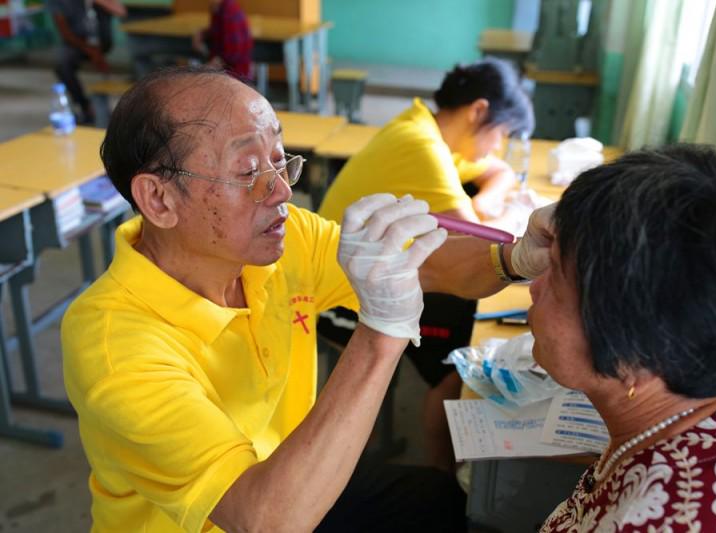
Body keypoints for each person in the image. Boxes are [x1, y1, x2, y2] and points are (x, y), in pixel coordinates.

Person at [60, 66, 549, 532]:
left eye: (279, 158)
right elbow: (267, 520)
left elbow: (434, 265)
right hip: (245, 512)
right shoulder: (114, 345)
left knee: (434, 499)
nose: (280, 192)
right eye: (248, 169)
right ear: (160, 200)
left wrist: (517, 257)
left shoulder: (285, 241)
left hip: (290, 469)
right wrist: (382, 332)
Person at [512, 145, 716, 530]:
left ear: (635, 353)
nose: (534, 288)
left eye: (556, 279)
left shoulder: (680, 519)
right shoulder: (703, 377)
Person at [317, 58, 534, 471]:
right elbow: (479, 241)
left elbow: (500, 172)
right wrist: (502, 218)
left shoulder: (427, 130)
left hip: (370, 272)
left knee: (470, 308)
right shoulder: (421, 146)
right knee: (466, 342)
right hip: (340, 296)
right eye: (502, 133)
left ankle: (445, 450)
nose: (500, 145)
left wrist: (482, 202)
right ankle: (442, 473)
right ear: (478, 111)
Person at [47, 0, 127, 124]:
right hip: (76, 42)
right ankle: (85, 107)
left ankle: (122, 110)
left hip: (101, 40)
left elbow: (121, 11)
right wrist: (91, 51)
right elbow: (65, 33)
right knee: (62, 65)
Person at [191, 0, 253, 80]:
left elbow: (233, 53)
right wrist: (202, 34)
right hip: (224, 70)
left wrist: (209, 66)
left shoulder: (229, 11)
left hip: (235, 75)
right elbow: (219, 31)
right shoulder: (218, 7)